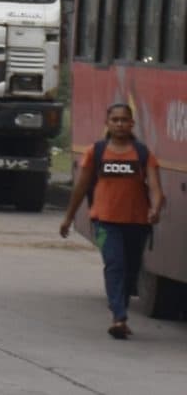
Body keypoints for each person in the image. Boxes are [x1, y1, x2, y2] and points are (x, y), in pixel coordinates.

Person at [58, 102, 166, 339]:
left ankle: (120, 307)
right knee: (115, 264)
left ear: (131, 124)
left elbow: (156, 188)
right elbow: (81, 187)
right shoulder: (96, 152)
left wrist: (155, 208)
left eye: (124, 120)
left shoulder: (142, 154)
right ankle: (119, 316)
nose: (119, 124)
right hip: (105, 221)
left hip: (137, 223)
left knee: (131, 270)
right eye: (115, 120)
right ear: (107, 124)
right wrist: (68, 217)